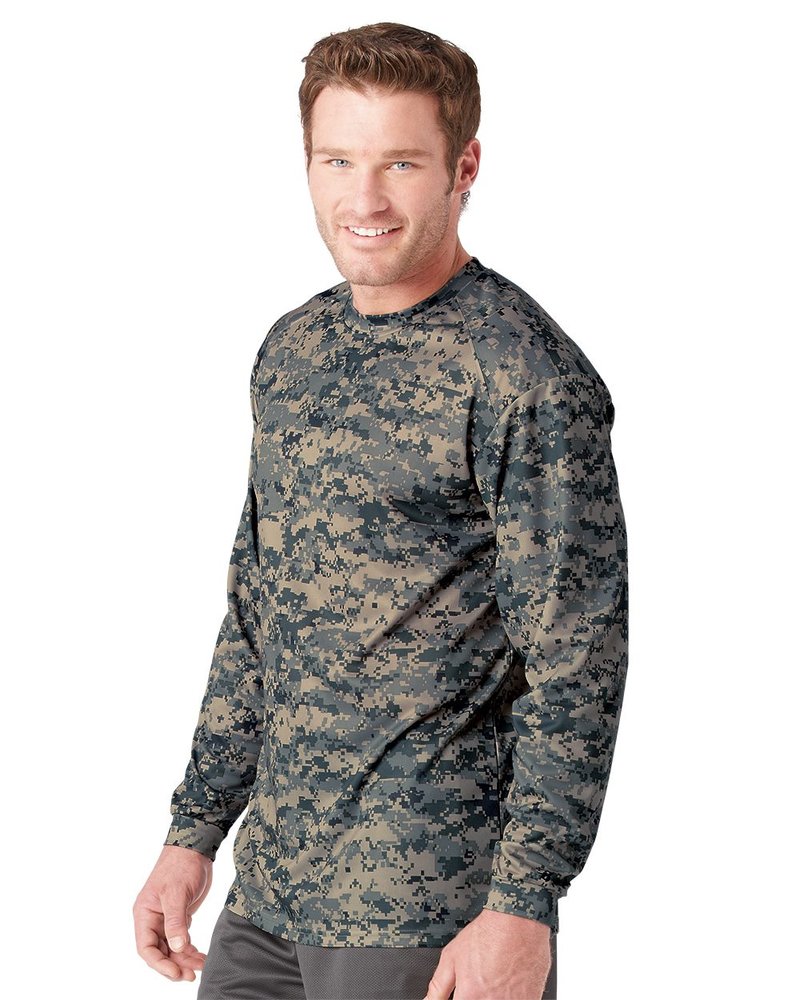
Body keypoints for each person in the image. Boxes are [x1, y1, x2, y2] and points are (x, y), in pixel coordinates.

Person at [133, 21, 629, 1000]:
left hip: (425, 908)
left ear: (463, 167)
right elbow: (258, 613)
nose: (363, 199)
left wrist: (523, 902)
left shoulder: (522, 373)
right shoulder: (294, 350)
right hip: (268, 897)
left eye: (400, 163)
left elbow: (578, 662)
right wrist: (194, 832)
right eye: (338, 161)